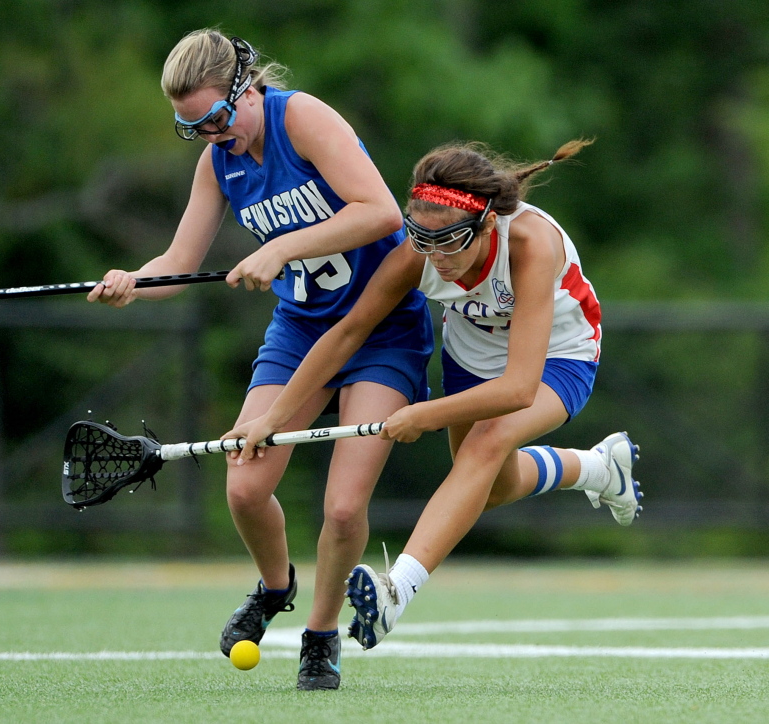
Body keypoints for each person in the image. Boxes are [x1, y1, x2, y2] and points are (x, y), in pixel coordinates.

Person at [87, 29, 433, 689]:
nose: (213, 135)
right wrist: (134, 279)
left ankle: (321, 637)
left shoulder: (302, 118)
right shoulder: (218, 161)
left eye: (217, 118)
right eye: (193, 128)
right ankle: (276, 588)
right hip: (300, 331)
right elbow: (179, 263)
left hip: (382, 331)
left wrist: (283, 248)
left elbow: (383, 212)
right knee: (245, 487)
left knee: (340, 506)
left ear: (247, 88)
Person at [222, 138, 642, 651]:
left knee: (484, 446)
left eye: (449, 242)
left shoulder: (531, 244)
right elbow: (347, 333)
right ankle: (598, 470)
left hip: (559, 356)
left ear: (486, 225)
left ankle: (397, 590)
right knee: (491, 486)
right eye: (423, 240)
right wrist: (276, 417)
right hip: (470, 357)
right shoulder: (417, 254)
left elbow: (517, 389)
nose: (436, 258)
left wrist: (424, 413)